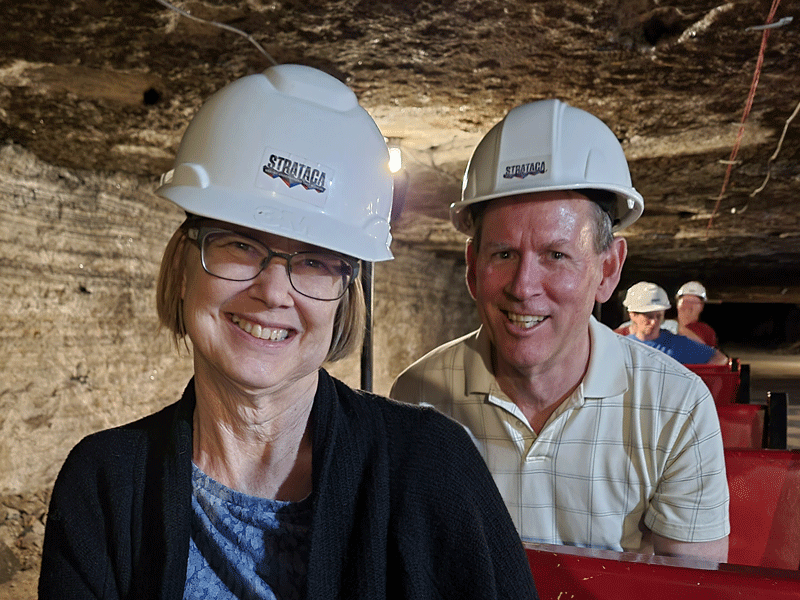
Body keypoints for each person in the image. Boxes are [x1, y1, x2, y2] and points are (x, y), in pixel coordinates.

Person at [38, 65, 538, 600]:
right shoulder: (105, 484)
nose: (274, 291)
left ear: (345, 295)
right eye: (240, 244)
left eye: (315, 261)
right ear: (183, 268)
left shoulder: (430, 468)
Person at [391, 99, 729, 561]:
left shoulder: (676, 407)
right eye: (504, 254)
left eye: (556, 255)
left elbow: (690, 586)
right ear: (472, 268)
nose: (523, 287)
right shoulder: (417, 397)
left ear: (607, 270)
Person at [623, 282, 728, 365]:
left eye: (659, 316)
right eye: (649, 316)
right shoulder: (622, 347)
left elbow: (720, 359)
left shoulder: (678, 345)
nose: (654, 322)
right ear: (633, 315)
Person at [676, 281, 719, 347]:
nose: (689, 306)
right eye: (685, 301)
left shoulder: (706, 331)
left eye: (694, 302)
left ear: (701, 307)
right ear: (677, 304)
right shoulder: (664, 326)